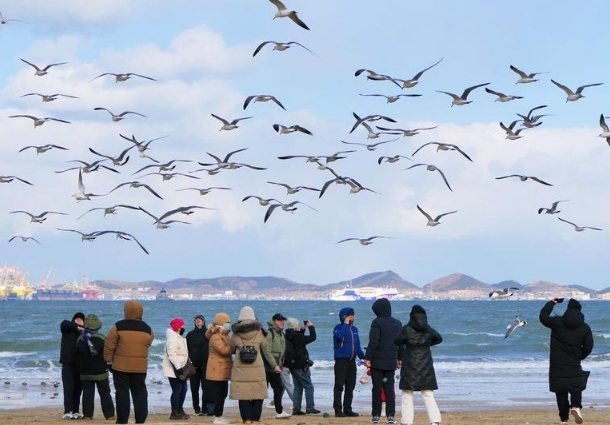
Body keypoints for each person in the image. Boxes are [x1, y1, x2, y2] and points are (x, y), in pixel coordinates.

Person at [539, 298, 594, 425]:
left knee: (561, 390)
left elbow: (543, 317)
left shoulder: (557, 322)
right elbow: (588, 347)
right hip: (574, 362)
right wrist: (580, 356)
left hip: (557, 364)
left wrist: (552, 303)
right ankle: (575, 407)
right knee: (576, 386)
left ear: (567, 309)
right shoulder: (585, 328)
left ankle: (564, 419)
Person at [104, 300, 154, 425]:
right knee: (140, 393)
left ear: (126, 311)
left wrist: (108, 361)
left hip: (120, 366)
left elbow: (109, 345)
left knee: (122, 393)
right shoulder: (147, 328)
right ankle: (141, 419)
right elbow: (149, 342)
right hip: (140, 368)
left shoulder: (118, 326)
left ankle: (122, 420)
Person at [393, 305, 442, 425]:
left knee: (407, 393)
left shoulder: (407, 329)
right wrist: (427, 344)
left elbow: (396, 341)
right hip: (425, 362)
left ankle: (407, 422)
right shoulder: (428, 329)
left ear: (411, 316)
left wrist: (408, 343)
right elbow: (439, 338)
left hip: (410, 362)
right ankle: (435, 421)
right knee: (428, 393)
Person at [365, 298, 403, 425]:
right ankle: (391, 416)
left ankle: (376, 416)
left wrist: (368, 358)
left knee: (376, 388)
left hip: (377, 362)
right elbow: (401, 343)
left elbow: (373, 342)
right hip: (391, 362)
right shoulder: (398, 324)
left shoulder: (377, 322)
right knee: (389, 389)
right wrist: (400, 359)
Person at [230, 306, 269, 424]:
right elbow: (265, 346)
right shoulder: (260, 332)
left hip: (240, 368)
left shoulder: (235, 334)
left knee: (243, 395)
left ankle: (246, 419)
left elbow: (232, 348)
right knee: (258, 393)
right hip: (257, 367)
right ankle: (255, 419)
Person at [76, 314, 115, 421]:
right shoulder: (102, 338)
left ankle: (88, 415)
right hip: (101, 371)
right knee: (105, 393)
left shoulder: (80, 339)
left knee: (87, 393)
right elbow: (107, 354)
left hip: (85, 372)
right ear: (98, 326)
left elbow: (77, 355)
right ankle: (110, 415)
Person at [332, 307, 365, 418]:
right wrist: (345, 324)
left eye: (353, 315)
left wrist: (364, 359)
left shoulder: (355, 330)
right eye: (349, 315)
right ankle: (338, 410)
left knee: (350, 386)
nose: (352, 317)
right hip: (341, 361)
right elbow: (339, 336)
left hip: (351, 362)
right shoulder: (338, 328)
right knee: (339, 386)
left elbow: (357, 347)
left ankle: (347, 409)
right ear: (344, 317)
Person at [284, 317, 320, 416]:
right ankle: (310, 407)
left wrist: (303, 329)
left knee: (298, 387)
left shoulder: (288, 334)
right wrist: (311, 327)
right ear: (295, 326)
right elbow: (312, 337)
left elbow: (299, 340)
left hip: (292, 365)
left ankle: (296, 409)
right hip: (300, 364)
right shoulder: (297, 337)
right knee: (308, 386)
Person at [262, 313, 292, 418]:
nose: (282, 322)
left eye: (283, 320)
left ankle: (279, 412)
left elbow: (282, 351)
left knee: (278, 388)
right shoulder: (270, 333)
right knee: (263, 390)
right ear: (274, 321)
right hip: (267, 367)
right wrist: (274, 365)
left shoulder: (281, 334)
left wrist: (281, 364)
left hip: (276, 367)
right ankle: (255, 411)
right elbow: (267, 351)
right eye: (280, 320)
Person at [206, 312, 234, 425]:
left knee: (223, 393)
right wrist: (234, 347)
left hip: (222, 369)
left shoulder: (224, 335)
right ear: (221, 324)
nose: (229, 325)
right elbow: (224, 350)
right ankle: (217, 416)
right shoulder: (216, 337)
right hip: (217, 369)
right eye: (227, 322)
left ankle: (219, 415)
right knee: (220, 394)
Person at [163, 318, 190, 420]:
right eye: (182, 326)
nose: (184, 328)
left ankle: (179, 409)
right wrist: (178, 367)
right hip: (174, 369)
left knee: (183, 389)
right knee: (177, 390)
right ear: (178, 328)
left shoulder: (178, 337)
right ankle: (174, 412)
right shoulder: (172, 339)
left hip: (180, 367)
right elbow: (172, 354)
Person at [186, 315, 213, 416]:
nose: (198, 321)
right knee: (194, 389)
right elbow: (187, 348)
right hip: (194, 366)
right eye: (196, 320)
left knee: (206, 388)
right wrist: (189, 359)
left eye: (200, 320)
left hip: (206, 365)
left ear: (203, 321)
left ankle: (205, 409)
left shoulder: (208, 334)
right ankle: (197, 409)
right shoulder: (190, 334)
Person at [60, 311, 85, 420]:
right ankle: (67, 411)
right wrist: (76, 327)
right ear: (74, 320)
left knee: (78, 389)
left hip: (80, 365)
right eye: (77, 319)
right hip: (68, 363)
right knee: (68, 388)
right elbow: (64, 323)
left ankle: (76, 411)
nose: (79, 321)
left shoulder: (84, 333)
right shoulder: (66, 329)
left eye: (81, 319)